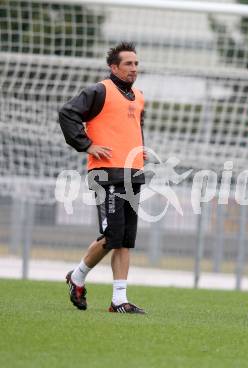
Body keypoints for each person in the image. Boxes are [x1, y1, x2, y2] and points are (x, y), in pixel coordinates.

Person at [59, 42, 147, 314]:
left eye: (136, 64)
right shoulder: (99, 91)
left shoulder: (139, 97)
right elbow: (67, 113)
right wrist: (87, 145)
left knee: (125, 239)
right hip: (106, 175)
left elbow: (131, 131)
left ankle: (119, 299)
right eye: (128, 64)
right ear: (114, 67)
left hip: (133, 174)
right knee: (112, 235)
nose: (134, 68)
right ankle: (77, 276)